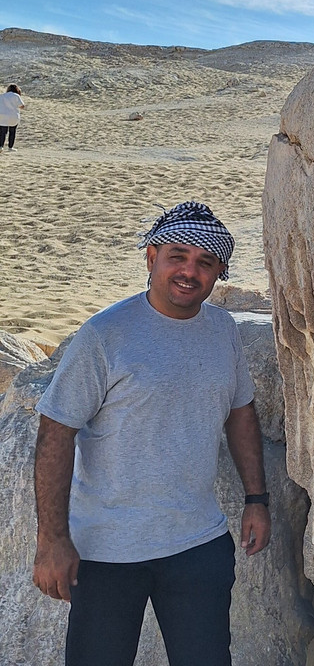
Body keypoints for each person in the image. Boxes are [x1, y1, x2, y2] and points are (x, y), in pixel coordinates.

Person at [33, 201, 271, 666]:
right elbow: (56, 433)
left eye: (205, 262)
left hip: (198, 543)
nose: (189, 272)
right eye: (177, 257)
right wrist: (52, 541)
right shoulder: (104, 335)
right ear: (151, 258)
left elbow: (240, 413)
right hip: (107, 551)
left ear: (219, 272)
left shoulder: (223, 330)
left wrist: (256, 500)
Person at [0, 83, 24, 150]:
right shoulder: (16, 96)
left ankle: (1, 146)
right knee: (12, 131)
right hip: (13, 115)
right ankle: (10, 147)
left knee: (2, 132)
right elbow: (22, 106)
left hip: (2, 115)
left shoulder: (2, 96)